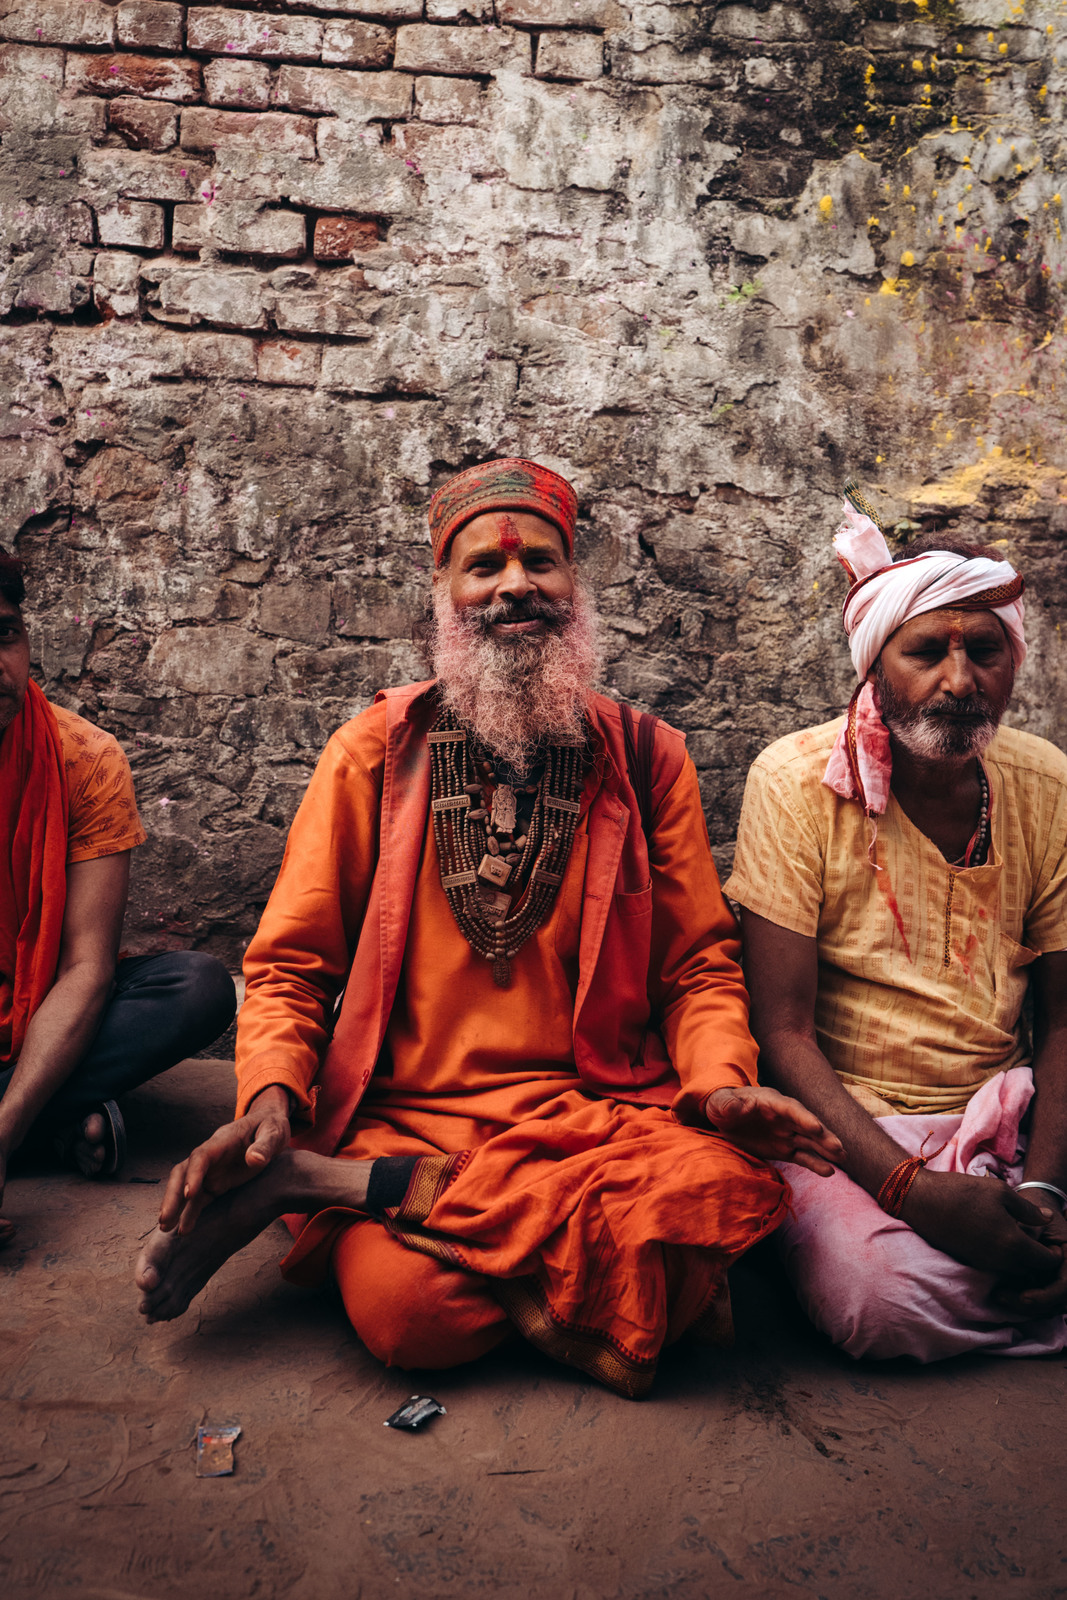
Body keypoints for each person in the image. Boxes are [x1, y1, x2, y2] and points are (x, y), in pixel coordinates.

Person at [135, 457, 840, 1397]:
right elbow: (291, 967)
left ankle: (323, 1190)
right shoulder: (371, 754)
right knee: (414, 1314)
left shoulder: (644, 755)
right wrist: (268, 1102)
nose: (516, 586)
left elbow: (699, 969)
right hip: (410, 1121)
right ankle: (461, 1221)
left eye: (541, 563)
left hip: (601, 1120)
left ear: (574, 587)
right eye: (483, 568)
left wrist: (717, 1089)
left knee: (730, 1192)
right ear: (444, 594)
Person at [724, 481, 1067, 1360]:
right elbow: (781, 1032)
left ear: (1013, 664)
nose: (958, 682)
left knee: (1017, 1244)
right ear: (876, 664)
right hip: (849, 1128)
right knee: (877, 1301)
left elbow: (1061, 1018)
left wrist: (1046, 1195)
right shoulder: (795, 782)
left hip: (1009, 1114)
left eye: (983, 652)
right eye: (925, 653)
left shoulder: (1044, 783)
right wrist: (914, 1191)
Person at [0, 553, 236, 1244]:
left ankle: (24, 1116)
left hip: (43, 1001)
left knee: (195, 987)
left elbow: (85, 967)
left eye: (5, 634)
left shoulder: (84, 759)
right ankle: (58, 1120)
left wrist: (5, 1133)